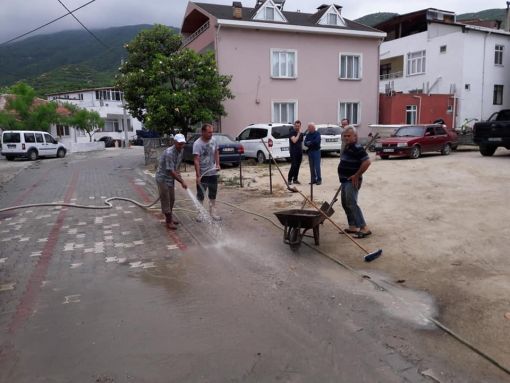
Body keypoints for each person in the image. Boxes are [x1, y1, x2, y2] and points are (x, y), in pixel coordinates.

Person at [337, 126, 372, 238]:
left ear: (355, 136)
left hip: (351, 181)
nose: (346, 138)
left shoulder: (357, 147)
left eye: (349, 136)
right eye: (345, 136)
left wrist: (357, 175)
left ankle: (364, 227)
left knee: (352, 204)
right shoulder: (348, 147)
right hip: (344, 180)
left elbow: (367, 162)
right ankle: (353, 226)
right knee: (345, 203)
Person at [155, 133, 188, 230]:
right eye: (179, 144)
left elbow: (176, 168)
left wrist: (180, 176)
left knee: (172, 199)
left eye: (183, 144)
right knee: (166, 199)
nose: (181, 146)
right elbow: (170, 170)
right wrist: (181, 181)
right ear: (175, 142)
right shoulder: (169, 153)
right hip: (162, 178)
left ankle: (169, 218)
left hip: (170, 178)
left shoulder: (181, 151)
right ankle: (168, 221)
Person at [193, 123, 221, 221]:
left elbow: (217, 152)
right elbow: (196, 160)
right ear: (203, 132)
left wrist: (217, 164)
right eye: (209, 132)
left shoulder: (214, 140)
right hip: (203, 174)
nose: (211, 134)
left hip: (212, 172)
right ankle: (199, 214)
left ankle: (212, 213)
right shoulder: (197, 144)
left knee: (213, 194)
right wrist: (198, 175)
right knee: (200, 194)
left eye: (212, 132)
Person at [287, 120, 303, 185]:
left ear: (300, 126)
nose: (297, 127)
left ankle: (295, 179)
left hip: (299, 152)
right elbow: (294, 141)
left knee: (298, 166)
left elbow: (301, 142)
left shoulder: (301, 133)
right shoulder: (292, 132)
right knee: (294, 165)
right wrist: (299, 134)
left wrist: (300, 133)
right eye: (296, 126)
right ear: (294, 126)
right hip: (293, 152)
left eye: (298, 126)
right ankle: (289, 179)